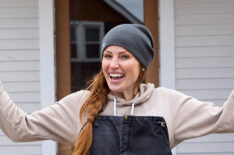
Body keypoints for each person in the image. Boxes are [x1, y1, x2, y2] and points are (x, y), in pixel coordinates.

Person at [0, 24, 234, 155]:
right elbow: (20, 129)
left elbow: (226, 120)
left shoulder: (168, 103)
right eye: (107, 56)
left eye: (124, 56)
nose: (113, 64)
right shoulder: (80, 104)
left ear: (141, 64)